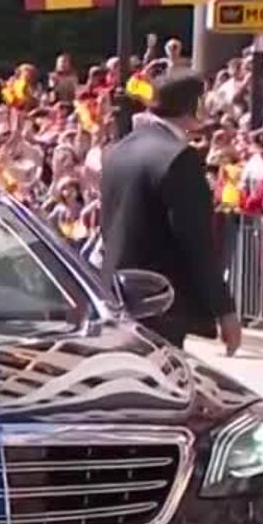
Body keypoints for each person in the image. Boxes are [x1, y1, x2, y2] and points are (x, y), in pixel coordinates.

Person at [97, 70, 241, 355]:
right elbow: (196, 240)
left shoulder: (118, 150)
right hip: (161, 299)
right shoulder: (178, 158)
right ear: (194, 106)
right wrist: (224, 310)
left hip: (116, 292)